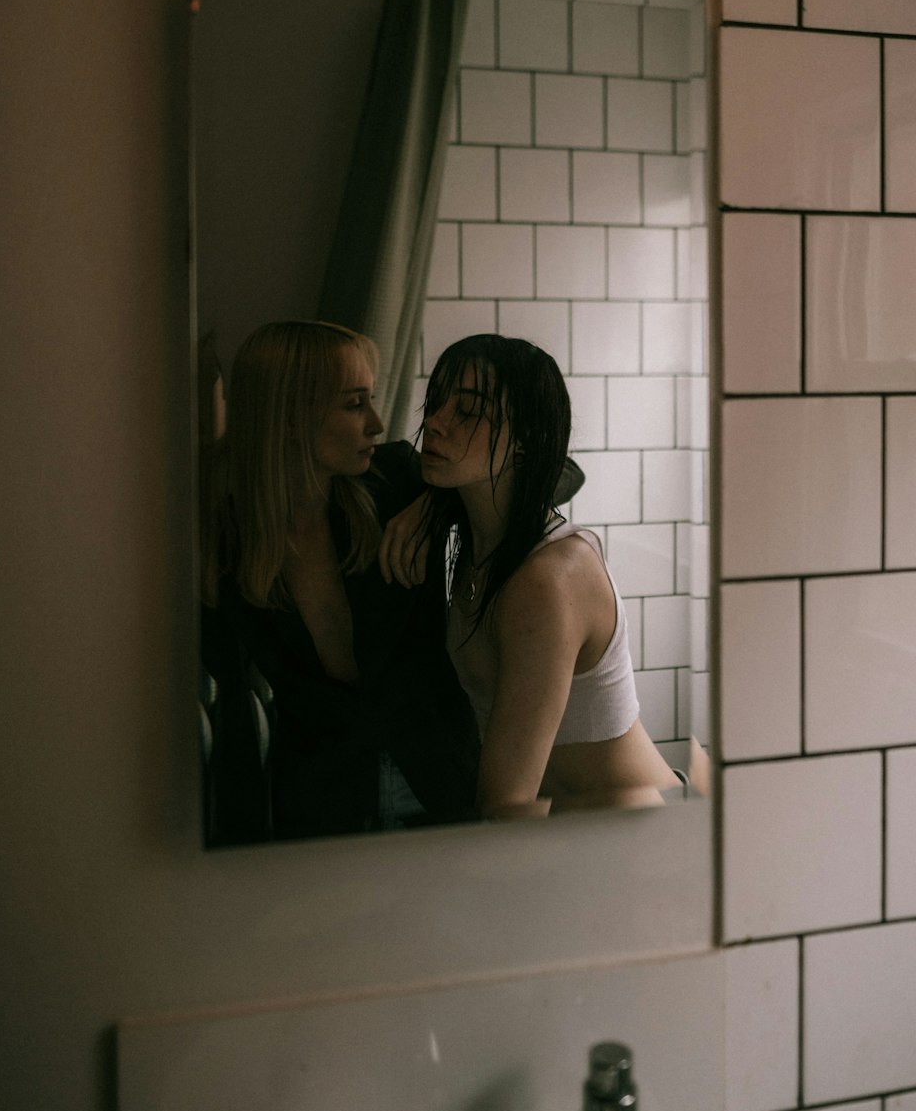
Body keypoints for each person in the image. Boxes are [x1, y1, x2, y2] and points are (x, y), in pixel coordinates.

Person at [382, 334, 682, 819]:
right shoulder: (484, 547)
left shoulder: (549, 579)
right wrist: (433, 502)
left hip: (642, 830)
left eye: (468, 410)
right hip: (576, 831)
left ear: (525, 438)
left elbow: (507, 802)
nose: (434, 423)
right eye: (436, 402)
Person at [203, 319, 480, 844]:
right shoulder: (226, 547)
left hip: (441, 783)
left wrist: (436, 504)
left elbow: (551, 474)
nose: (376, 423)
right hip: (322, 810)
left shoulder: (397, 481)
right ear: (287, 418)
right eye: (354, 404)